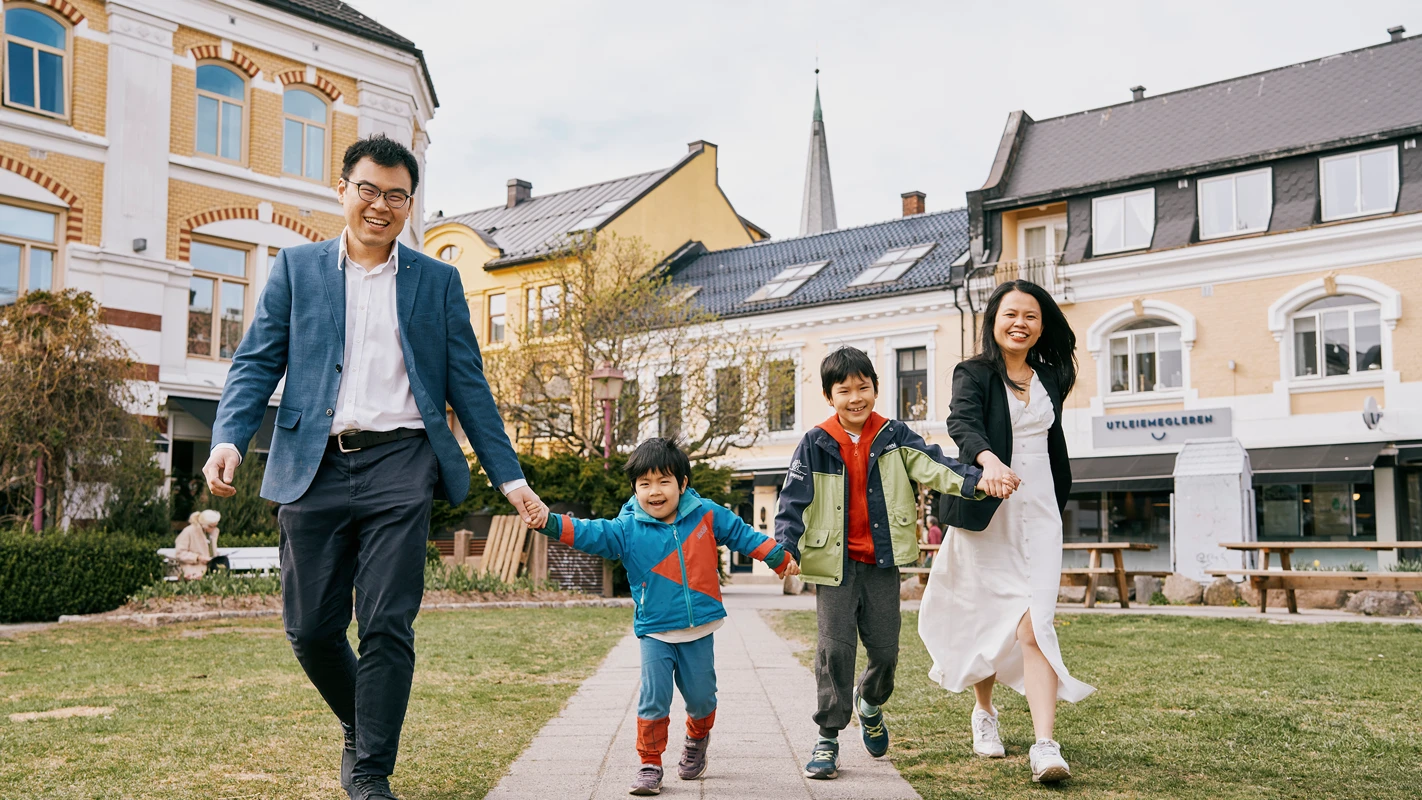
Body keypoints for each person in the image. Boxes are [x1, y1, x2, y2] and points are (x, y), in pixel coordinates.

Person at [203, 134, 547, 800]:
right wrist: (229, 438)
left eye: (396, 195)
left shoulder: (437, 282)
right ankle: (363, 726)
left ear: (409, 204)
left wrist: (510, 478)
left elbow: (467, 387)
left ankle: (370, 774)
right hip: (313, 463)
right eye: (368, 189)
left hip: (401, 462)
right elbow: (254, 364)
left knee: (388, 621)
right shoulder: (295, 270)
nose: (380, 205)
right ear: (343, 191)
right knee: (310, 629)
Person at [533, 438, 799, 796]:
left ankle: (696, 739)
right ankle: (649, 763)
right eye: (644, 484)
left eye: (663, 482)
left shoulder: (706, 513)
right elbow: (588, 533)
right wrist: (549, 522)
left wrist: (776, 556)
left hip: (699, 627)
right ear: (635, 489)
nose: (654, 492)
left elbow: (741, 533)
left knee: (703, 698)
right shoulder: (627, 529)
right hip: (656, 632)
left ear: (683, 484)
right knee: (653, 698)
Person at [775, 347, 990, 781]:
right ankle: (828, 739)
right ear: (828, 396)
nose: (855, 397)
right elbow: (792, 501)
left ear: (875, 387)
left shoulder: (894, 435)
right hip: (833, 566)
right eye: (844, 390)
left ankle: (869, 703)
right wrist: (785, 546)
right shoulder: (816, 443)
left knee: (887, 653)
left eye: (863, 387)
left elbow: (936, 466)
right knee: (834, 651)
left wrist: (976, 481)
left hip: (883, 561)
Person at [918, 279, 1093, 784]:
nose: (1021, 323)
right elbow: (963, 423)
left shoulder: (1052, 374)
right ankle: (985, 713)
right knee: (987, 614)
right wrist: (989, 463)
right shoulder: (973, 373)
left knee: (1034, 624)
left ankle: (1045, 745)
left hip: (1039, 511)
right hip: (988, 508)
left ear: (1042, 326)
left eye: (1031, 316)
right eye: (1011, 314)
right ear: (993, 320)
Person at [174, 509, 227, 580]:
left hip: (210, 566)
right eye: (211, 526)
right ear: (203, 524)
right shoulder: (188, 531)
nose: (214, 528)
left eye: (216, 525)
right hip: (194, 567)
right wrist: (198, 557)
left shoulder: (213, 532)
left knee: (224, 560)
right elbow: (180, 553)